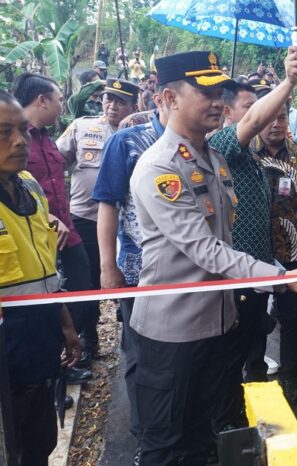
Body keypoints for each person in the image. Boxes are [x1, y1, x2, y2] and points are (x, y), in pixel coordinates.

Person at [128, 49, 297, 465]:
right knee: (168, 445)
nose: (217, 101)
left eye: (220, 91)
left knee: (205, 437)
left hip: (218, 324)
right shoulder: (160, 168)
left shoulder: (212, 158)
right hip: (174, 334)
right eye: (205, 92)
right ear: (168, 98)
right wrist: (280, 276)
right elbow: (205, 250)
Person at [212, 83, 297, 406]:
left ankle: (289, 374)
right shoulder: (241, 150)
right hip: (251, 254)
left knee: (291, 317)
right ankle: (253, 372)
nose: (275, 123)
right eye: (268, 116)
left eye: (281, 117)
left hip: (291, 248)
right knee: (251, 318)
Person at [0, 89, 80, 465]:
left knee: (39, 446)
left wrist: (65, 323)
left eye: (23, 131)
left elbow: (46, 271)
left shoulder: (29, 186)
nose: (19, 141)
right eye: (4, 132)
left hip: (40, 348)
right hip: (7, 363)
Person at [92, 94, 166, 464]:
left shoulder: (201, 143)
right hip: (138, 272)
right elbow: (108, 203)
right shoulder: (127, 142)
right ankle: (144, 433)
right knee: (139, 355)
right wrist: (109, 265)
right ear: (168, 97)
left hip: (188, 278)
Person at [11, 73, 95, 381]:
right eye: (59, 99)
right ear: (41, 100)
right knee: (46, 307)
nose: (62, 106)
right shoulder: (14, 147)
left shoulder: (46, 139)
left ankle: (63, 357)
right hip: (34, 239)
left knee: (82, 294)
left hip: (66, 233)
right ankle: (56, 369)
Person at [57, 78, 139, 357]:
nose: (112, 106)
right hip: (88, 219)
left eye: (120, 101)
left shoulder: (141, 135)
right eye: (108, 99)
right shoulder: (82, 127)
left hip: (130, 226)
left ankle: (131, 333)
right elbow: (54, 163)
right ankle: (88, 339)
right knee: (88, 281)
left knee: (130, 278)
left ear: (133, 105)